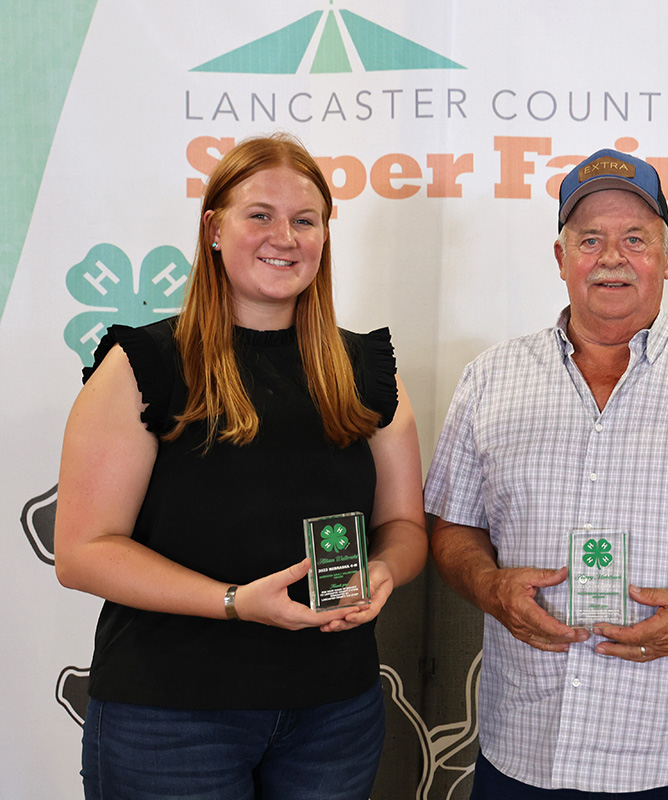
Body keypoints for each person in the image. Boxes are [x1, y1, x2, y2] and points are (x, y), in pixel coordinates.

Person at [424, 148, 668, 798]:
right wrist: (488, 586)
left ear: (667, 259)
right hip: (526, 746)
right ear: (561, 259)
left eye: (635, 239)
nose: (612, 256)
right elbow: (453, 529)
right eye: (591, 239)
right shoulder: (490, 378)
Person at [55, 133, 428, 799]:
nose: (284, 236)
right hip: (170, 716)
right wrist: (232, 604)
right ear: (214, 230)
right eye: (260, 214)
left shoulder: (367, 371)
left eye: (305, 220)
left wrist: (383, 570)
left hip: (333, 715)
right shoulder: (142, 365)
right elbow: (82, 552)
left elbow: (403, 524)